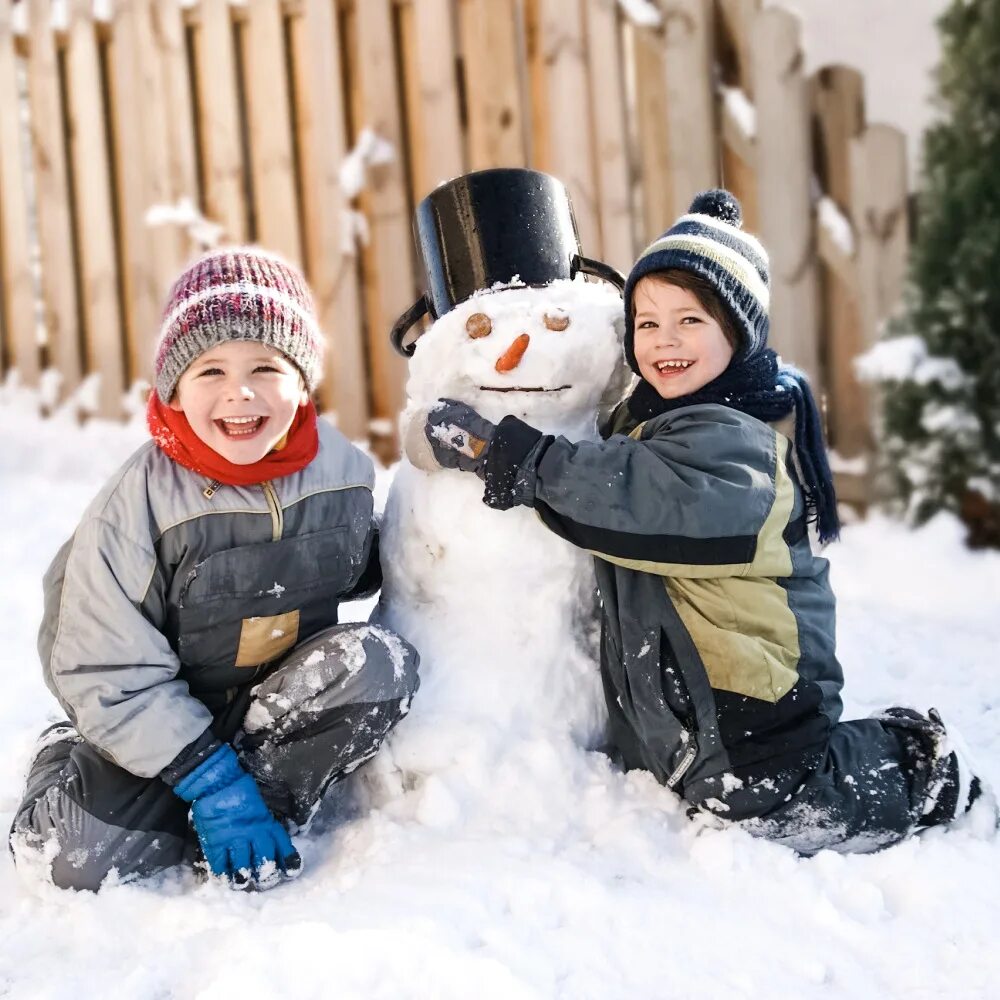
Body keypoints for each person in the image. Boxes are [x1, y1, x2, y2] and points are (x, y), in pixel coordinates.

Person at [411, 189, 990, 854]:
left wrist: (521, 457)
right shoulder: (659, 416)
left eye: (690, 321)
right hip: (699, 713)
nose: (665, 341)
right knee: (714, 785)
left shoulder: (739, 441)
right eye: (647, 323)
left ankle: (922, 764)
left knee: (765, 803)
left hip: (757, 712)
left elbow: (643, 502)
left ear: (738, 333)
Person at [9, 247, 419, 891]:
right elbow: (105, 666)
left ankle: (272, 797)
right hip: (156, 708)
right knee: (76, 863)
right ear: (173, 385)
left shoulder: (341, 470)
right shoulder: (137, 505)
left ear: (303, 381)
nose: (241, 392)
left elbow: (357, 565)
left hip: (266, 699)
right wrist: (210, 783)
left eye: (267, 366)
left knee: (378, 663)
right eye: (210, 370)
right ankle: (68, 759)